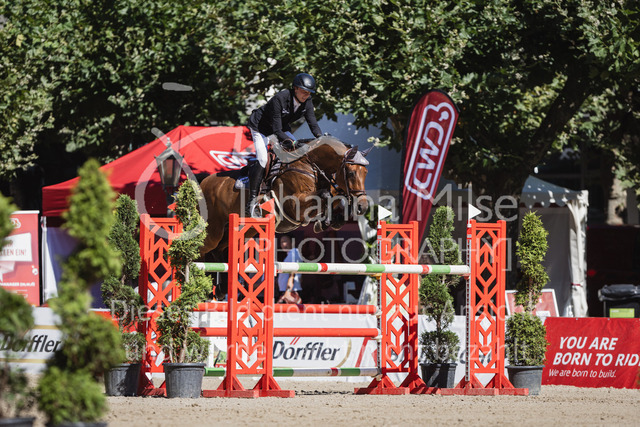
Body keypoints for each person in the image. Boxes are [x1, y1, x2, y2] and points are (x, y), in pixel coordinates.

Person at [245, 72, 323, 217]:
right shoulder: (280, 98)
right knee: (262, 159)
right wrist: (294, 142)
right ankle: (251, 202)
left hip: (281, 128)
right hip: (261, 128)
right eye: (304, 92)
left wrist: (321, 137)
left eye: (309, 93)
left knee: (297, 154)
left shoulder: (307, 101)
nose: (306, 95)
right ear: (295, 88)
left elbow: (312, 122)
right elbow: (276, 131)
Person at [276, 235, 303, 304]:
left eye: (285, 241)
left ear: (292, 242)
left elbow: (292, 274)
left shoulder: (294, 253)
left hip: (291, 292)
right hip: (288, 290)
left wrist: (288, 291)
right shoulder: (290, 254)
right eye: (281, 242)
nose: (283, 244)